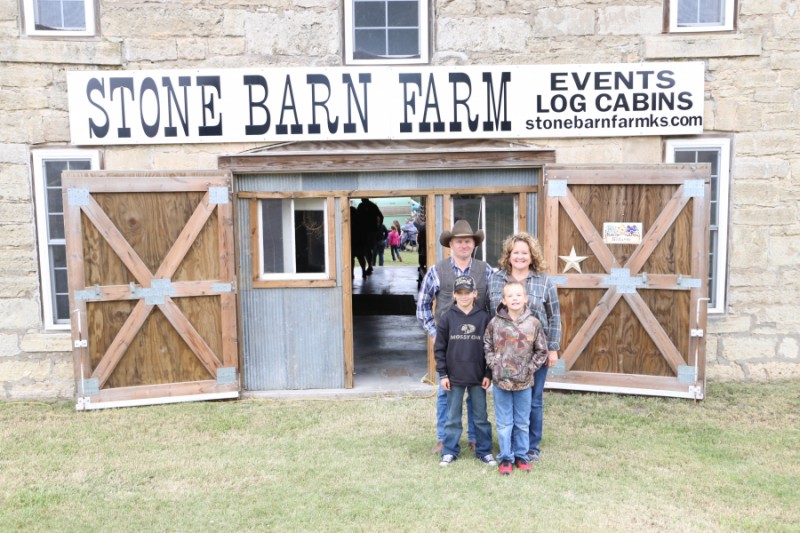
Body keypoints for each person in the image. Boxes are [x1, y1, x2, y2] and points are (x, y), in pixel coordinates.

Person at [416, 219, 492, 454]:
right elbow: (422, 306)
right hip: (450, 345)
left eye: (468, 241)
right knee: (446, 391)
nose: (464, 245)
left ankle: (475, 438)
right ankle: (444, 439)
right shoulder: (437, 270)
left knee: (476, 392)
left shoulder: (485, 270)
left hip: (477, 344)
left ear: (473, 244)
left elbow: (494, 303)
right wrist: (434, 333)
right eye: (459, 241)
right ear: (451, 244)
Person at [488, 232, 561, 463]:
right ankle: (508, 446)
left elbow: (554, 316)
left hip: (535, 355)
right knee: (505, 401)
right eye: (515, 252)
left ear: (532, 256)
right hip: (505, 354)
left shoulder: (544, 281)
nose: (520, 257)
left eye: (524, 253)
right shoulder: (495, 279)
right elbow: (490, 315)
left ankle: (531, 447)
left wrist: (552, 348)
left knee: (534, 399)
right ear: (509, 256)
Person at [484, 281, 548, 475]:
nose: (514, 299)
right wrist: (494, 363)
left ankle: (521, 455)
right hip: (501, 382)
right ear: (503, 300)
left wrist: (530, 368)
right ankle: (505, 457)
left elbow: (541, 350)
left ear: (526, 299)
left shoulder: (533, 323)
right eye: (510, 296)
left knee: (522, 422)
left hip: (524, 383)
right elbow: (487, 345)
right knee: (504, 422)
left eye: (518, 295)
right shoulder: (495, 323)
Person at [436, 276, 495, 467]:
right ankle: (450, 450)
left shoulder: (484, 317)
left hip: (478, 376)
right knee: (452, 416)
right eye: (459, 293)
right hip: (454, 377)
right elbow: (439, 349)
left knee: (480, 416)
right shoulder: (447, 317)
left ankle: (484, 450)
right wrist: (443, 374)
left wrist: (488, 373)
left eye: (467, 292)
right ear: (454, 294)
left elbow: (490, 348)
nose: (463, 296)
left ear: (475, 294)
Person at [357, 198, 383, 274]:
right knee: (367, 249)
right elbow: (381, 216)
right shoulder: (373, 206)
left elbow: (357, 216)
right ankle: (369, 266)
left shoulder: (362, 206)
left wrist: (378, 227)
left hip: (365, 231)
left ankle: (369, 266)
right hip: (370, 230)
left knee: (366, 249)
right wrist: (378, 226)